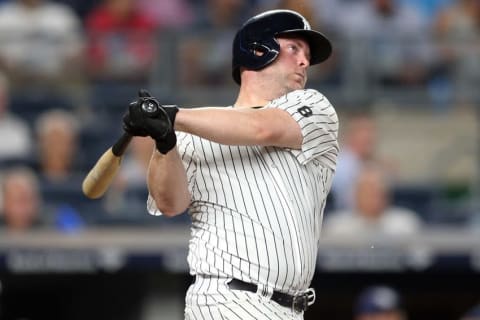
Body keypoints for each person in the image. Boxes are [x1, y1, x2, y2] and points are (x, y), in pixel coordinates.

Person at [122, 9, 338, 319]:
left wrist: (174, 118)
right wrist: (165, 140)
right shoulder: (193, 130)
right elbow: (170, 203)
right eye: (294, 48)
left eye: (306, 54)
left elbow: (261, 128)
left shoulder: (314, 107)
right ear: (258, 50)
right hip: (225, 300)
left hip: (292, 308)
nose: (305, 62)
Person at [324, 165, 422, 237]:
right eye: (367, 192)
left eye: (378, 191)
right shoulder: (337, 227)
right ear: (355, 196)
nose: (374, 197)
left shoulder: (406, 224)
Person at [0, 166, 44, 232]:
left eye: (28, 200)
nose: (23, 209)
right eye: (17, 201)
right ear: (4, 202)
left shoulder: (51, 229)